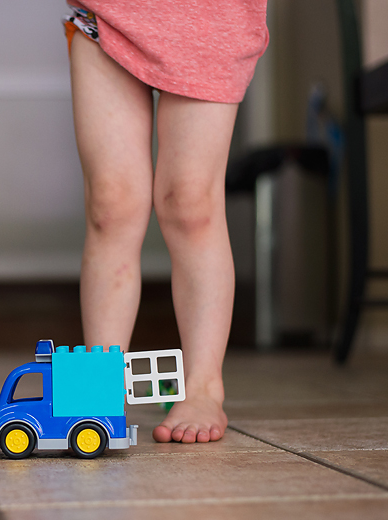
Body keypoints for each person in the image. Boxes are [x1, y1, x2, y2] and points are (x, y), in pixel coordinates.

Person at [65, 2, 269, 443]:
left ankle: (202, 386)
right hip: (107, 15)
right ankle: (100, 381)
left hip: (209, 17)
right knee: (110, 204)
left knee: (191, 204)